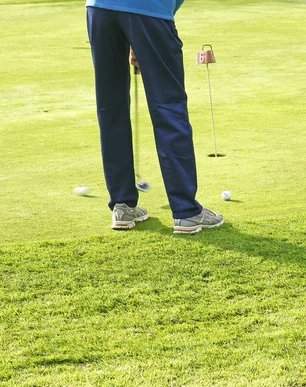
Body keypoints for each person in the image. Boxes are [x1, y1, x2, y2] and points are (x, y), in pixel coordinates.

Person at [85, 0, 223, 234]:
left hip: (100, 9)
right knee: (168, 105)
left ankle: (122, 205)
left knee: (111, 106)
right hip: (150, 8)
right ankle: (186, 211)